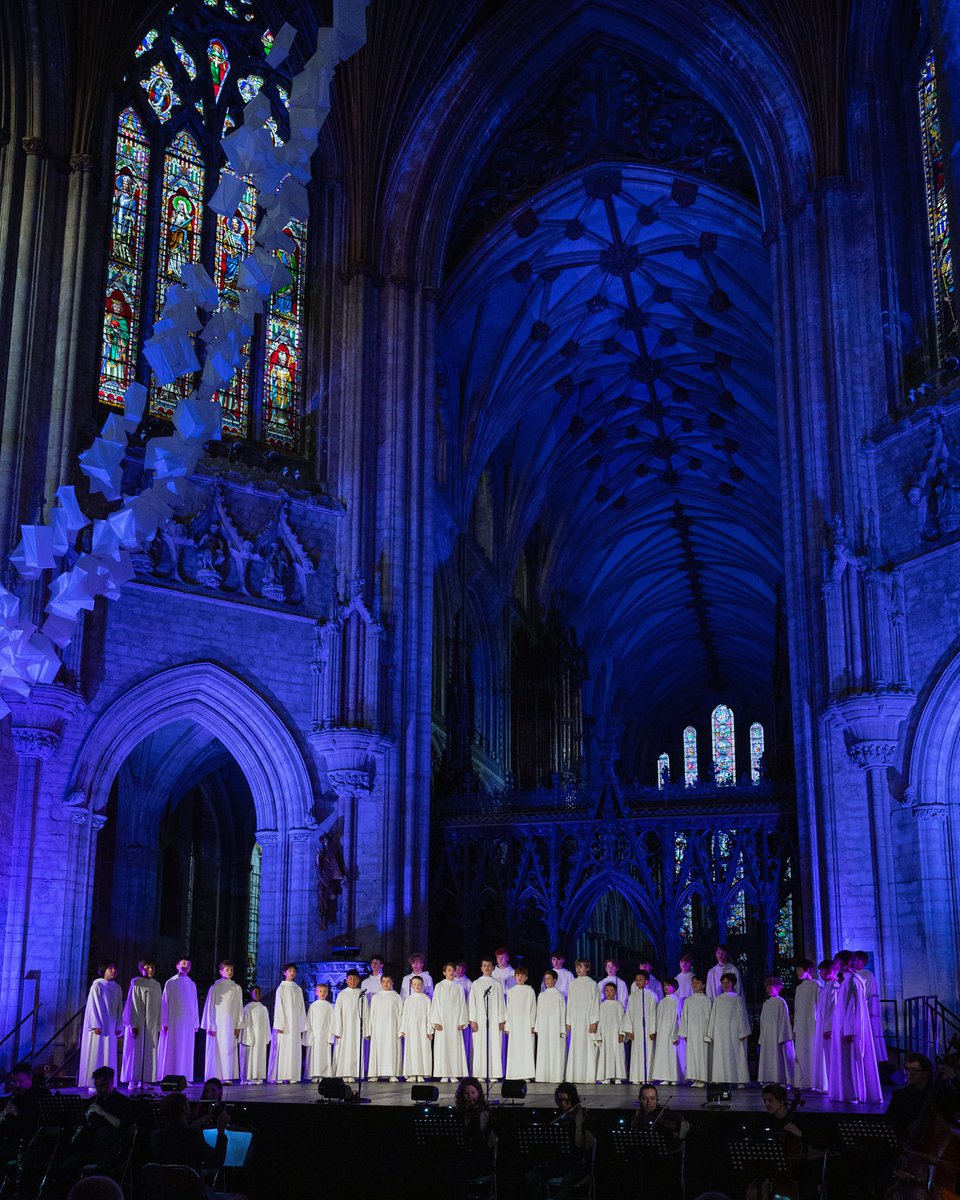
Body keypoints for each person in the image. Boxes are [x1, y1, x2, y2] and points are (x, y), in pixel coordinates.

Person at [149, 1091, 249, 1200]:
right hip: (194, 1194)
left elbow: (176, 1166)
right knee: (241, 1197)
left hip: (169, 1195)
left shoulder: (155, 1136)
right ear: (184, 1108)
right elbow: (216, 1160)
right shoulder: (192, 1133)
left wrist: (195, 1125)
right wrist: (221, 1131)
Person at [54, 1067, 132, 1191]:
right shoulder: (92, 1101)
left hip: (111, 1149)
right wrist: (82, 1120)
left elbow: (122, 1126)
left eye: (103, 1085)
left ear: (112, 1082)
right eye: (97, 1086)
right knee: (64, 1166)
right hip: (90, 1148)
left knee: (96, 1173)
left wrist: (103, 1113)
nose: (99, 1090)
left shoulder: (123, 1102)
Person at [828, 950, 882, 1104]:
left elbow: (853, 1008)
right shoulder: (848, 980)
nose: (836, 965)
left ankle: (855, 1093)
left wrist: (849, 1030)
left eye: (838, 962)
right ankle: (847, 1092)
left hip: (850, 1031)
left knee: (852, 1061)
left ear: (846, 962)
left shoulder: (852, 980)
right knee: (846, 1061)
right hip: (844, 1027)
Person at [525, 1083, 594, 1200]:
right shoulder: (558, 1116)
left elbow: (580, 1145)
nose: (563, 1104)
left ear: (572, 1099)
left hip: (577, 1164)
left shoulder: (581, 1116)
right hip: (560, 1163)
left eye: (566, 1100)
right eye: (560, 1100)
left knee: (567, 1180)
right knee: (530, 1176)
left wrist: (578, 1125)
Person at [77, 962, 123, 1090]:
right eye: (110, 968)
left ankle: (109, 1083)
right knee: (97, 1053)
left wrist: (119, 1025)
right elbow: (92, 1006)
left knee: (109, 1054)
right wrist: (95, 1024)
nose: (113, 970)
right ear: (103, 970)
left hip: (111, 1026)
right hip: (100, 1027)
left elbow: (120, 1007)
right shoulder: (97, 985)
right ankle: (94, 1083)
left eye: (115, 968)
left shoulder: (117, 988)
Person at [120, 959, 161, 1089]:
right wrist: (132, 1024)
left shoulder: (156, 985)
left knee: (149, 1050)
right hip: (138, 1022)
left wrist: (158, 1023)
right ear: (141, 969)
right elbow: (132, 1004)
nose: (150, 970)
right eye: (147, 968)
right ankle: (132, 1079)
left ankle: (145, 1080)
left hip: (151, 1023)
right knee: (135, 1050)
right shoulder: (137, 982)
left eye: (152, 968)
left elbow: (160, 1006)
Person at [158, 956, 199, 1082]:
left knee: (185, 1050)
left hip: (187, 1023)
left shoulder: (192, 984)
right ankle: (169, 1076)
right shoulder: (171, 982)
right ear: (177, 966)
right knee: (173, 1049)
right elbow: (164, 1003)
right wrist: (164, 1022)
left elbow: (194, 1004)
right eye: (183, 963)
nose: (186, 966)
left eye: (188, 964)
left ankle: (184, 1078)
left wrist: (195, 1023)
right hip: (173, 1022)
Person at [201, 960, 243, 1083]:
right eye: (227, 969)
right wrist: (211, 1025)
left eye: (231, 970)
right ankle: (215, 1076)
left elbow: (239, 1007)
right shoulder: (215, 988)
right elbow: (210, 1007)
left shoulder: (237, 988)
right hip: (217, 1024)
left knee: (228, 1049)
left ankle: (227, 1077)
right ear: (221, 971)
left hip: (231, 1024)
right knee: (216, 1049)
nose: (229, 972)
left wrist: (239, 1025)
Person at [704, 972, 750, 1086]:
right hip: (720, 1032)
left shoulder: (737, 998)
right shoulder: (718, 999)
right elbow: (713, 1016)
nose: (725, 985)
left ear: (733, 984)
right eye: (723, 982)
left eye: (727, 982)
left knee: (736, 1054)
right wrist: (711, 1032)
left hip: (734, 1031)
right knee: (721, 1055)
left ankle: (740, 1080)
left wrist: (743, 1030)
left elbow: (742, 1015)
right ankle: (720, 1078)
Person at [268, 964, 307, 1083]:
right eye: (290, 970)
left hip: (294, 1024)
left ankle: (292, 1076)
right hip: (284, 1024)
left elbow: (301, 1007)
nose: (292, 973)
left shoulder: (298, 989)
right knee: (283, 1048)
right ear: (284, 972)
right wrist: (279, 1024)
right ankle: (281, 1075)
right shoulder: (282, 988)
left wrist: (302, 1025)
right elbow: (279, 1007)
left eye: (294, 971)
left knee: (293, 1049)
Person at [886, 1053, 935, 1145]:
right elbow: (891, 1122)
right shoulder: (899, 1096)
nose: (910, 1074)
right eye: (908, 1070)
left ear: (927, 1073)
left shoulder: (936, 1094)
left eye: (915, 1070)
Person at [470, 958, 505, 1081]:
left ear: (493, 968)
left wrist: (501, 1019)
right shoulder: (476, 984)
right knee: (480, 1045)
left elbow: (501, 1002)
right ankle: (481, 1073)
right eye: (484, 965)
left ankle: (494, 1073)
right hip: (479, 1019)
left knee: (494, 1044)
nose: (486, 968)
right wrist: (473, 1020)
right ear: (481, 968)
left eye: (489, 966)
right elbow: (472, 1002)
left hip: (494, 1019)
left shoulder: (497, 984)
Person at [432, 961, 468, 1082]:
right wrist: (436, 1021)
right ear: (444, 973)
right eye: (449, 970)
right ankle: (444, 1073)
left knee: (454, 1047)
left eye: (453, 970)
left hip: (455, 1021)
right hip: (443, 1021)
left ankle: (453, 1073)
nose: (452, 972)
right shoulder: (439, 986)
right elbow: (435, 1004)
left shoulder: (459, 987)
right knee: (443, 1046)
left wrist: (462, 1021)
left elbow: (463, 1004)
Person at [565, 959, 600, 1084]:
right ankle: (575, 1076)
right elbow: (570, 1003)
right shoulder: (573, 984)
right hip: (575, 1019)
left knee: (588, 1048)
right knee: (575, 1047)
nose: (578, 969)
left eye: (581, 967)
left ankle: (588, 1076)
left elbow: (595, 1003)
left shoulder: (592, 984)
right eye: (577, 967)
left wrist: (593, 1021)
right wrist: (568, 1020)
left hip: (587, 1020)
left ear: (587, 968)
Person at [852, 950, 888, 1064]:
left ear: (862, 961)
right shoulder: (852, 974)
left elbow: (870, 993)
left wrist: (871, 1010)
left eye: (857, 959)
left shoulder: (867, 974)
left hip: (865, 1008)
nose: (854, 962)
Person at [624, 969, 658, 1085]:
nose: (638, 982)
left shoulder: (651, 995)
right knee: (636, 1052)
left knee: (648, 1052)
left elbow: (654, 1013)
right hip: (636, 1029)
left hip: (648, 1029)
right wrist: (629, 1030)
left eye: (641, 979)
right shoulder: (632, 996)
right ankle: (636, 1076)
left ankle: (647, 1077)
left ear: (647, 981)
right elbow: (628, 1013)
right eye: (637, 980)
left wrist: (653, 1030)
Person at [758, 977, 795, 1084]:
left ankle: (781, 1079)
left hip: (777, 1035)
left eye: (771, 986)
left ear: (778, 988)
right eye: (767, 986)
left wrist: (783, 1036)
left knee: (779, 1057)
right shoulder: (766, 1004)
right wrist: (762, 1036)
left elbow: (784, 1020)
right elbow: (763, 1021)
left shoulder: (780, 1002)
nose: (769, 989)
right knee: (768, 1057)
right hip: (767, 1035)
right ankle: (768, 1079)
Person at [367, 973, 403, 1081]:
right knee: (377, 1049)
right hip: (378, 1029)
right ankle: (375, 1074)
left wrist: (400, 1029)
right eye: (383, 981)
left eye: (388, 981)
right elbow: (371, 1014)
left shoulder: (396, 996)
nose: (386, 984)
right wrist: (370, 1029)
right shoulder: (376, 997)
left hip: (392, 1028)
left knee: (391, 1049)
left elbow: (400, 1014)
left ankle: (392, 1074)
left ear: (392, 983)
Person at [331, 968, 365, 1083]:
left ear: (358, 980)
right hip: (345, 1028)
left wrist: (365, 1030)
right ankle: (344, 1072)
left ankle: (354, 1073)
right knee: (345, 1050)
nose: (352, 981)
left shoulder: (362, 994)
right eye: (350, 979)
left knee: (355, 1049)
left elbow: (366, 1013)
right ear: (346, 980)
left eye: (355, 979)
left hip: (357, 1029)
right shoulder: (342, 994)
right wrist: (337, 1030)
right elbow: (337, 1013)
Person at [791, 959, 820, 1090]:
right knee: (802, 1053)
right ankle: (802, 1080)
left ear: (806, 970)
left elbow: (819, 1006)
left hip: (812, 1025)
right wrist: (796, 1027)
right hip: (801, 1026)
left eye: (798, 969)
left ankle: (814, 1081)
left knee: (812, 1052)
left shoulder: (816, 986)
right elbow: (797, 1009)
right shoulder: (799, 988)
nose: (796, 972)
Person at [505, 964, 537, 1080]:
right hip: (514, 1023)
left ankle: (526, 1074)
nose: (520, 977)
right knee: (515, 1048)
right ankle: (514, 1073)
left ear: (526, 978)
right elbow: (508, 1010)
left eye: (522, 975)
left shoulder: (530, 990)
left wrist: (533, 1025)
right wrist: (507, 1026)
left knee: (526, 1048)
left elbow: (533, 1008)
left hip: (526, 1023)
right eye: (518, 975)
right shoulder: (511, 991)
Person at [535, 970, 567, 1083]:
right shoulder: (541, 995)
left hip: (555, 1027)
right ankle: (543, 1076)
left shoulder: (559, 995)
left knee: (555, 1051)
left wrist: (562, 1028)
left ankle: (556, 1076)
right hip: (544, 1027)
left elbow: (563, 1012)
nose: (546, 981)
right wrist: (537, 1028)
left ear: (555, 980)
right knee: (544, 1051)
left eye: (549, 978)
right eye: (545, 978)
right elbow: (538, 1013)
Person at [811, 959, 838, 1093]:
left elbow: (833, 1010)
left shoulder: (834, 987)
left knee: (831, 1057)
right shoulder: (825, 987)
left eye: (821, 970)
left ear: (829, 971)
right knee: (826, 1057)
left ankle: (834, 1085)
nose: (820, 973)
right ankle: (829, 1084)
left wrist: (829, 1028)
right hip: (823, 1027)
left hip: (829, 1030)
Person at [400, 975, 433, 1081]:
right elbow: (404, 1015)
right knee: (412, 1050)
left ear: (422, 985)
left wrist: (429, 1030)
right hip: (411, 1029)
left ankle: (421, 1073)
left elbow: (429, 1015)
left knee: (422, 1049)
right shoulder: (408, 1000)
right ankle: (412, 1073)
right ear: (411, 986)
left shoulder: (426, 999)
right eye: (415, 984)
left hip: (423, 1029)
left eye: (419, 984)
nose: (417, 986)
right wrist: (403, 1029)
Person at [679, 975, 711, 1086]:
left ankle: (703, 1078)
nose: (695, 984)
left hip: (702, 1032)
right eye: (693, 982)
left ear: (703, 985)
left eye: (697, 982)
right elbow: (685, 1018)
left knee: (702, 1054)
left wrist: (709, 1033)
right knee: (692, 1055)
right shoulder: (688, 1000)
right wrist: (685, 1033)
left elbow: (709, 1018)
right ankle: (695, 1078)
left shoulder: (707, 1000)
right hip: (692, 1032)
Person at [651, 978, 683, 1084]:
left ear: (674, 988)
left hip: (672, 1032)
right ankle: (665, 1077)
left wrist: (676, 1035)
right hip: (662, 1032)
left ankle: (674, 1078)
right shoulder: (661, 1002)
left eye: (668, 985)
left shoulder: (676, 1001)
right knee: (663, 1054)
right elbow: (656, 1017)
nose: (665, 987)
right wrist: (655, 1031)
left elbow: (678, 1018)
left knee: (673, 1055)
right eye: (664, 985)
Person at [597, 981, 627, 1083]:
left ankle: (618, 1076)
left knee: (617, 1054)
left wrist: (622, 1033)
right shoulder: (601, 1005)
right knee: (605, 1054)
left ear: (615, 992)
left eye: (611, 990)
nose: (609, 992)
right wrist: (599, 1035)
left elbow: (623, 1020)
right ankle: (607, 1076)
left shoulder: (618, 1005)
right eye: (606, 990)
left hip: (616, 1034)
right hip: (605, 1034)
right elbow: (599, 1021)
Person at [238, 985, 269, 1084]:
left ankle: (258, 1077)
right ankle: (247, 1077)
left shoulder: (263, 1008)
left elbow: (266, 1024)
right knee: (249, 1057)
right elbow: (245, 1023)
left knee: (259, 1056)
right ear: (251, 994)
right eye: (255, 992)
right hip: (250, 1036)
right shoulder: (247, 1008)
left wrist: (266, 1037)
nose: (257, 994)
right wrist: (247, 1036)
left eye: (259, 992)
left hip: (260, 1038)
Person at [303, 983, 335, 1081]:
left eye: (324, 991)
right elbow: (309, 1021)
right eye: (320, 991)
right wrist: (310, 1035)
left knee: (324, 1055)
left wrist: (330, 1036)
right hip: (315, 1035)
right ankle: (314, 1074)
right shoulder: (313, 1006)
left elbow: (332, 1022)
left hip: (325, 1035)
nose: (322, 993)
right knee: (314, 1055)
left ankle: (323, 1074)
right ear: (316, 992)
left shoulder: (329, 1006)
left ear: (327, 993)